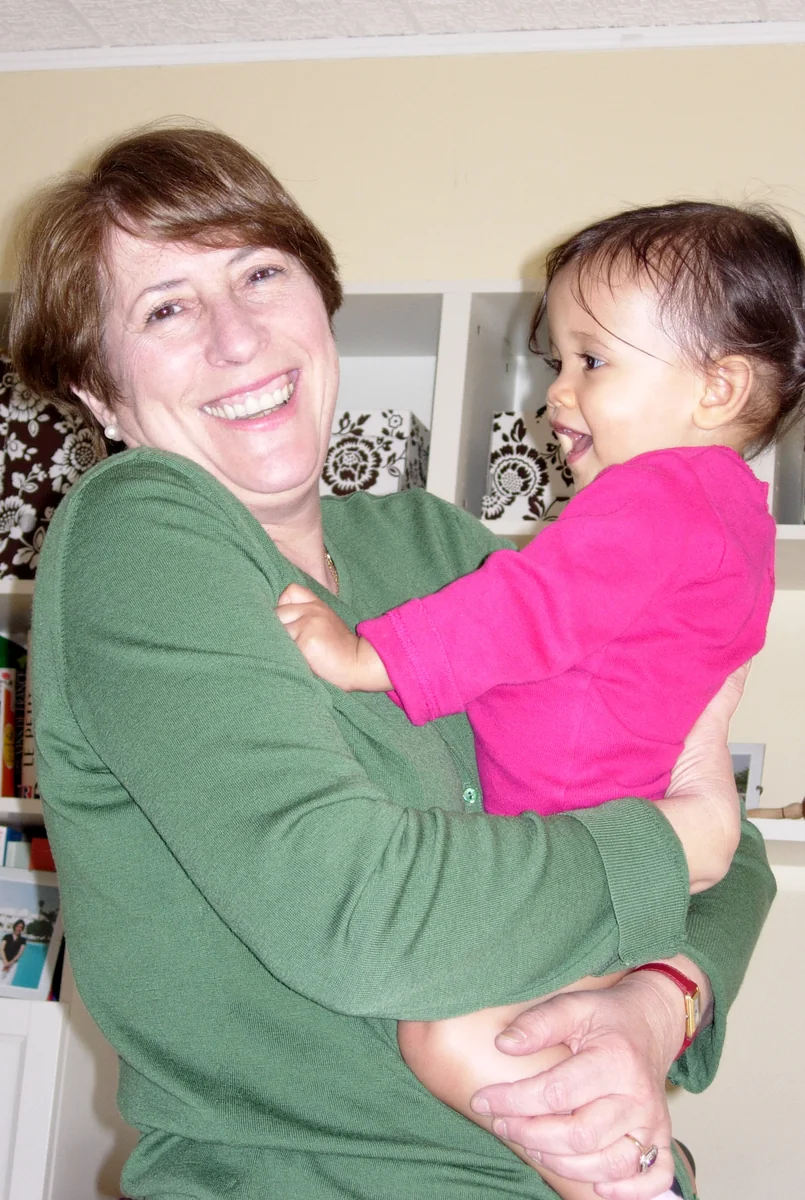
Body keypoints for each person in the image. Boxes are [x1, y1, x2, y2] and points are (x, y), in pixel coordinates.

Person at [9, 125, 775, 1200]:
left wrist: (655, 1002)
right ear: (100, 394)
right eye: (166, 309)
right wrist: (673, 841)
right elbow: (365, 920)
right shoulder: (139, 531)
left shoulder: (435, 544)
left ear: (321, 302)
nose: (238, 337)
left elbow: (729, 861)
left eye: (260, 274)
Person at [276, 200, 800, 1197]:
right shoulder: (732, 514)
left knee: (447, 1034)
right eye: (557, 360)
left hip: (566, 843)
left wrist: (367, 655)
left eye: (592, 361)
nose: (555, 391)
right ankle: (632, 1159)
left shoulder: (656, 497)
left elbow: (524, 610)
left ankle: (616, 1178)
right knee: (531, 1040)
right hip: (612, 856)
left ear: (717, 387)